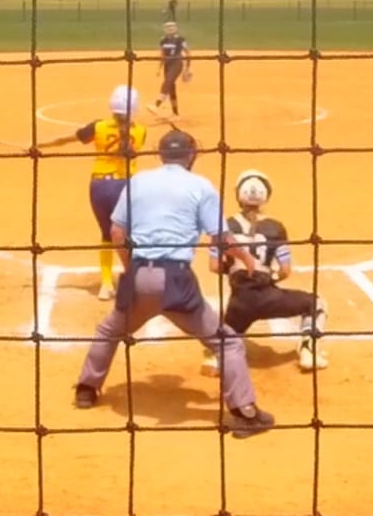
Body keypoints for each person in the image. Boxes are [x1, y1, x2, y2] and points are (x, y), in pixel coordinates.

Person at [72, 129, 277, 440]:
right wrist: (248, 260)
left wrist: (131, 270)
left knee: (109, 331)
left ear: (161, 154)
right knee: (227, 343)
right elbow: (221, 238)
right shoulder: (200, 186)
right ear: (190, 155)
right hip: (176, 281)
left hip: (139, 275)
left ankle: (86, 390)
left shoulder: (138, 182)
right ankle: (245, 413)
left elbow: (116, 233)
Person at [202, 169, 327, 375]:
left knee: (224, 336)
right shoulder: (275, 227)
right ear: (266, 196)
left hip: (239, 304)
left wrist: (235, 271)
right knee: (316, 303)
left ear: (238, 195)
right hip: (270, 298)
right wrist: (269, 278)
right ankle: (309, 351)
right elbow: (285, 270)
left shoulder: (224, 226)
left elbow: (214, 266)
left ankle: (216, 360)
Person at [37, 85, 147, 300]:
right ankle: (134, 280)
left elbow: (65, 140)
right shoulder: (141, 131)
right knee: (130, 235)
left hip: (101, 187)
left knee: (107, 235)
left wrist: (38, 145)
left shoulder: (98, 127)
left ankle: (106, 284)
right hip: (128, 188)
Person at [152, 21, 191, 116]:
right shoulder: (163, 40)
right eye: (168, 27)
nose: (170, 29)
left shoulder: (180, 39)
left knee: (168, 82)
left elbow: (188, 53)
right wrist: (159, 68)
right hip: (167, 64)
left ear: (176, 28)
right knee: (171, 88)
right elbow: (162, 55)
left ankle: (157, 104)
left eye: (172, 27)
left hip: (177, 63)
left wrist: (187, 68)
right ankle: (175, 112)